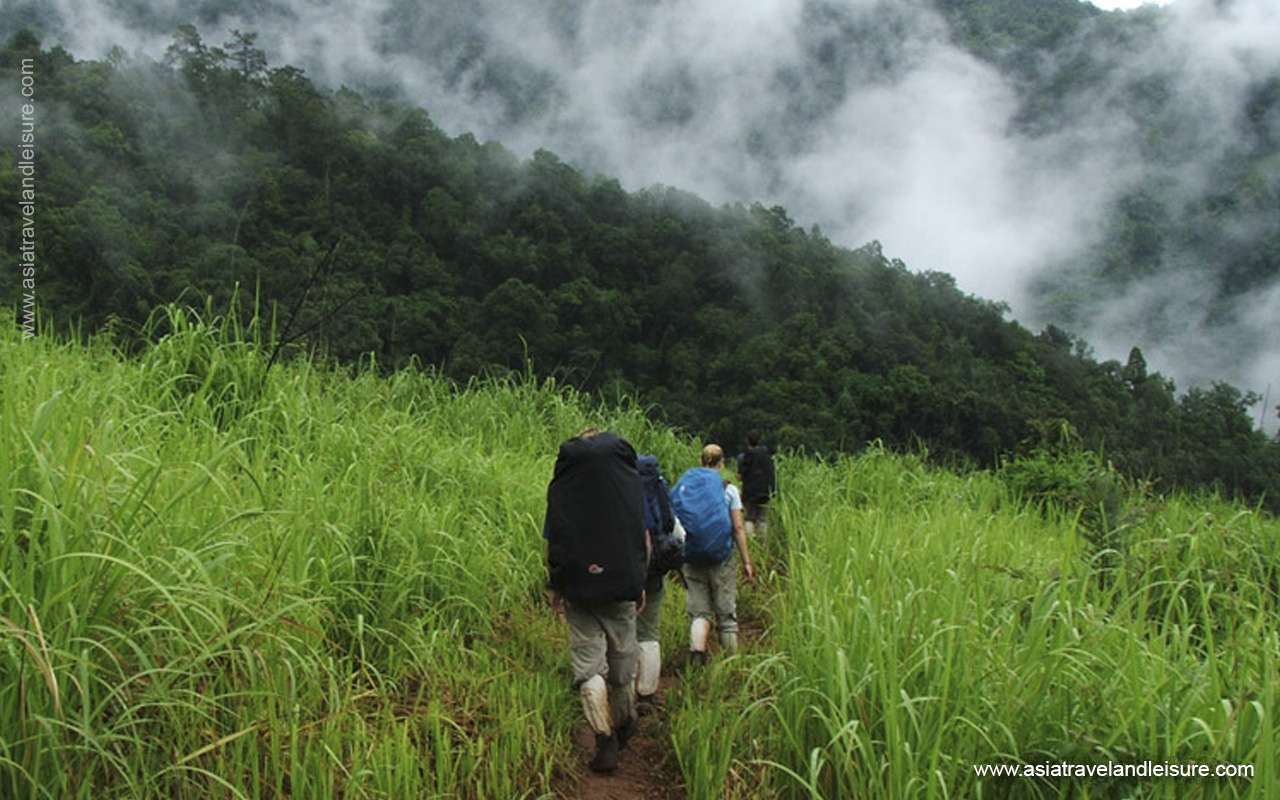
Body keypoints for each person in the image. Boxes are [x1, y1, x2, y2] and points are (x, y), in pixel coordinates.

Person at [544, 428, 650, 773]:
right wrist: (639, 582)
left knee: (589, 665)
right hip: (622, 586)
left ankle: (604, 740)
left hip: (578, 587)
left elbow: (554, 538)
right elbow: (642, 538)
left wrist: (556, 584)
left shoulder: (565, 487)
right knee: (622, 663)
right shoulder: (628, 485)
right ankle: (624, 721)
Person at [675, 444, 754, 664]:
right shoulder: (728, 490)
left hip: (691, 557)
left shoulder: (687, 488)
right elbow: (738, 528)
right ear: (722, 463)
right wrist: (747, 561)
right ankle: (732, 665)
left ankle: (697, 658)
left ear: (701, 461)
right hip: (722, 558)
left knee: (699, 613)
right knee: (726, 614)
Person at [634, 454, 680, 710]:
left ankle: (625, 687)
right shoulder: (659, 487)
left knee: (625, 630)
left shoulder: (625, 490)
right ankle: (647, 692)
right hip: (655, 571)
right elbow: (671, 523)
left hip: (628, 570)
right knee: (649, 631)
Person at [736, 431, 776, 538]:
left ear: (747, 441)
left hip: (750, 492)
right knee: (763, 518)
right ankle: (762, 542)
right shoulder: (768, 456)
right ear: (760, 440)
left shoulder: (743, 457)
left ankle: (750, 543)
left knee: (749, 518)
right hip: (766, 492)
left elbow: (739, 477)